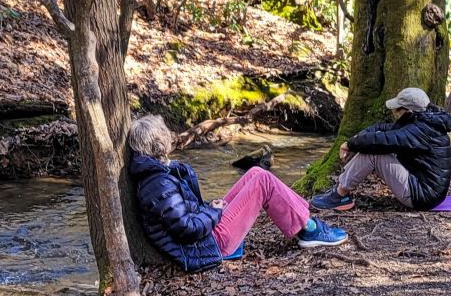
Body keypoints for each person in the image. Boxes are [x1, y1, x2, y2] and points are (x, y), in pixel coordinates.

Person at [128, 114, 348, 273]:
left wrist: (208, 208)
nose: (171, 137)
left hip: (207, 236)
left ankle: (305, 221)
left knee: (255, 172)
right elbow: (187, 229)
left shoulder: (158, 174)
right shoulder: (158, 184)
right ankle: (309, 229)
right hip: (209, 244)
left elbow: (184, 214)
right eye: (166, 134)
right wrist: (213, 213)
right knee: (263, 181)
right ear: (159, 142)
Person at [311, 87, 451, 211]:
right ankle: (340, 189)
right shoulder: (424, 121)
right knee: (374, 145)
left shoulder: (420, 130)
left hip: (423, 196)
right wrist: (356, 139)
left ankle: (339, 195)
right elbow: (381, 128)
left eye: (397, 109)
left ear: (409, 111)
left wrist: (349, 145)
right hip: (427, 190)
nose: (394, 112)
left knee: (375, 154)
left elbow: (382, 140)